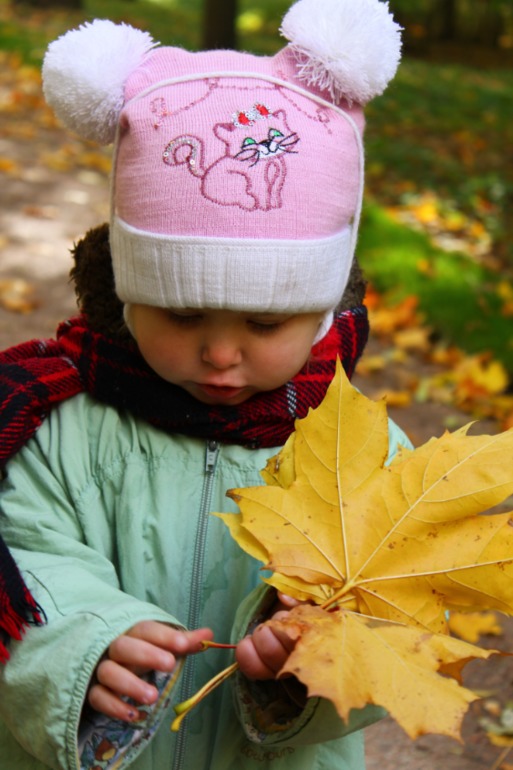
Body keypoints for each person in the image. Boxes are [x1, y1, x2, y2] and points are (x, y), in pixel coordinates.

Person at [0, 0, 406, 767]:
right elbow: (24, 551)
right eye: (183, 315)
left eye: (263, 325)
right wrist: (86, 644)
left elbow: (401, 621)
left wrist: (312, 660)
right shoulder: (55, 425)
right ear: (124, 290)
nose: (220, 355)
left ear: (323, 310)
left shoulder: (363, 454)